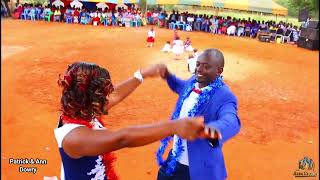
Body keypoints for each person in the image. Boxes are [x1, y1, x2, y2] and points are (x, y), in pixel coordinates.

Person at [54, 62, 209, 180]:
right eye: (102, 94)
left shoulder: (80, 109)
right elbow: (123, 138)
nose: (107, 97)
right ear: (90, 99)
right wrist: (175, 126)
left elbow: (114, 96)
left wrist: (141, 74)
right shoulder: (74, 137)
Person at [155, 48, 241, 180]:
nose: (199, 69)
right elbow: (181, 86)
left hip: (197, 168)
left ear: (219, 71)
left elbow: (231, 120)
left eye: (206, 67)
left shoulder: (225, 96)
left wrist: (212, 129)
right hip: (174, 159)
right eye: (198, 64)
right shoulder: (193, 81)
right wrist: (167, 75)